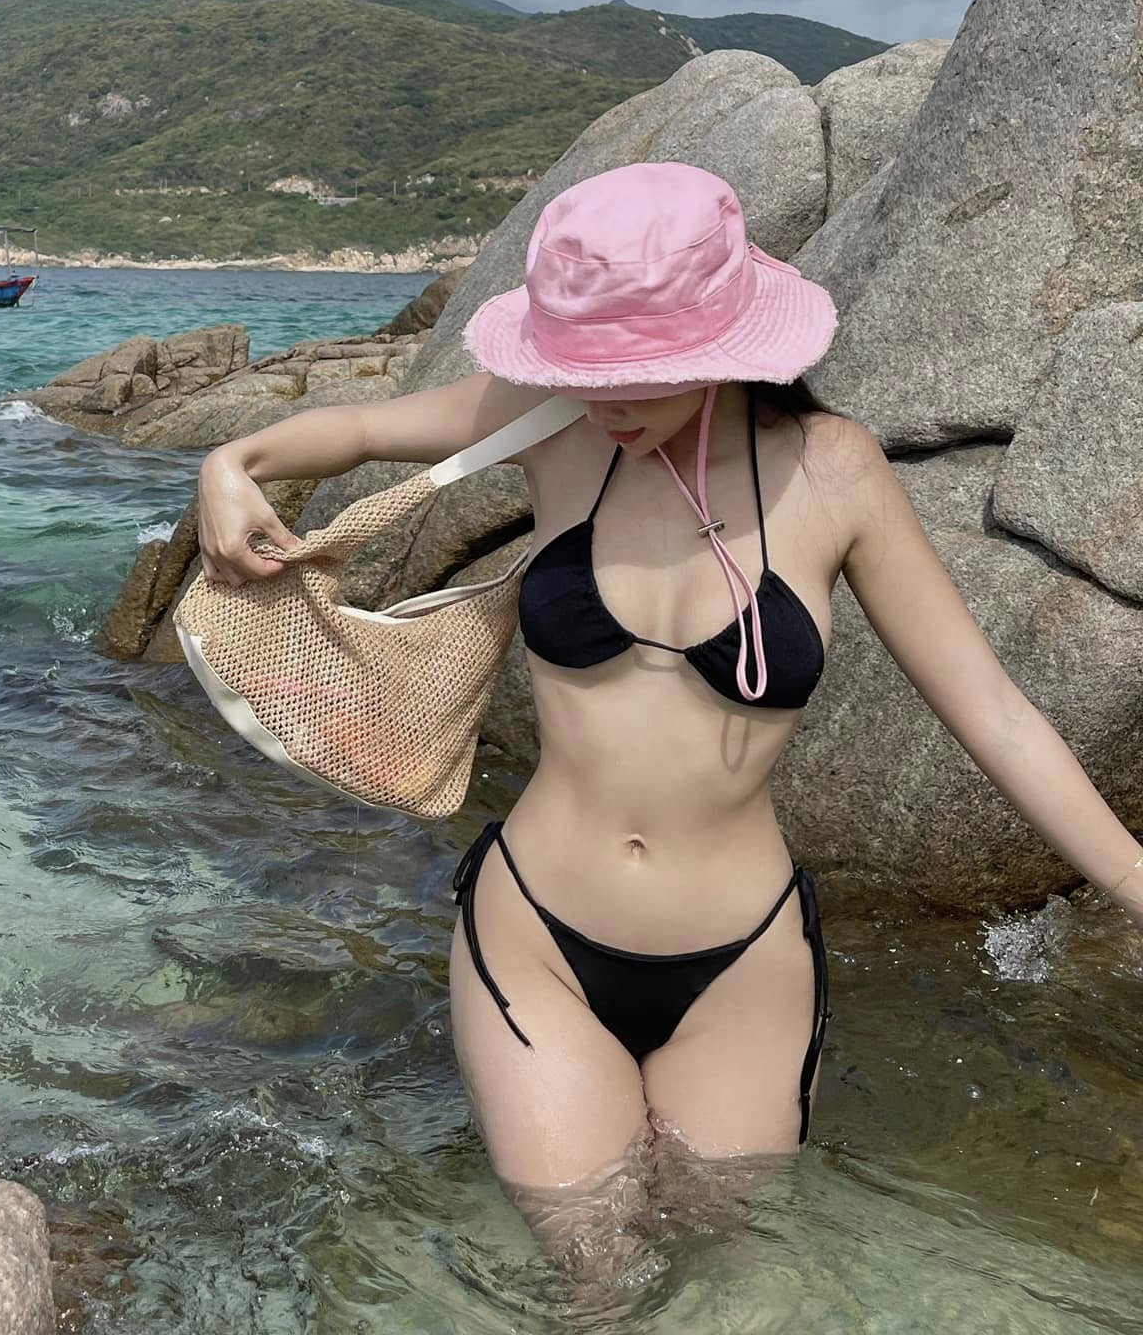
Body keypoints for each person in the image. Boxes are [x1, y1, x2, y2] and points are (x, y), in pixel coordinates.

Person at [195, 163, 1143, 1231]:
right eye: (585, 369)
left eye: (635, 375)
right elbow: (365, 431)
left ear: (721, 344)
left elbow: (995, 712)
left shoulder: (832, 472)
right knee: (588, 1268)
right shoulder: (553, 423)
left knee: (728, 1267)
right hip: (537, 938)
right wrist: (233, 460)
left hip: (744, 964)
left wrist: (1134, 885)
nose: (605, 398)